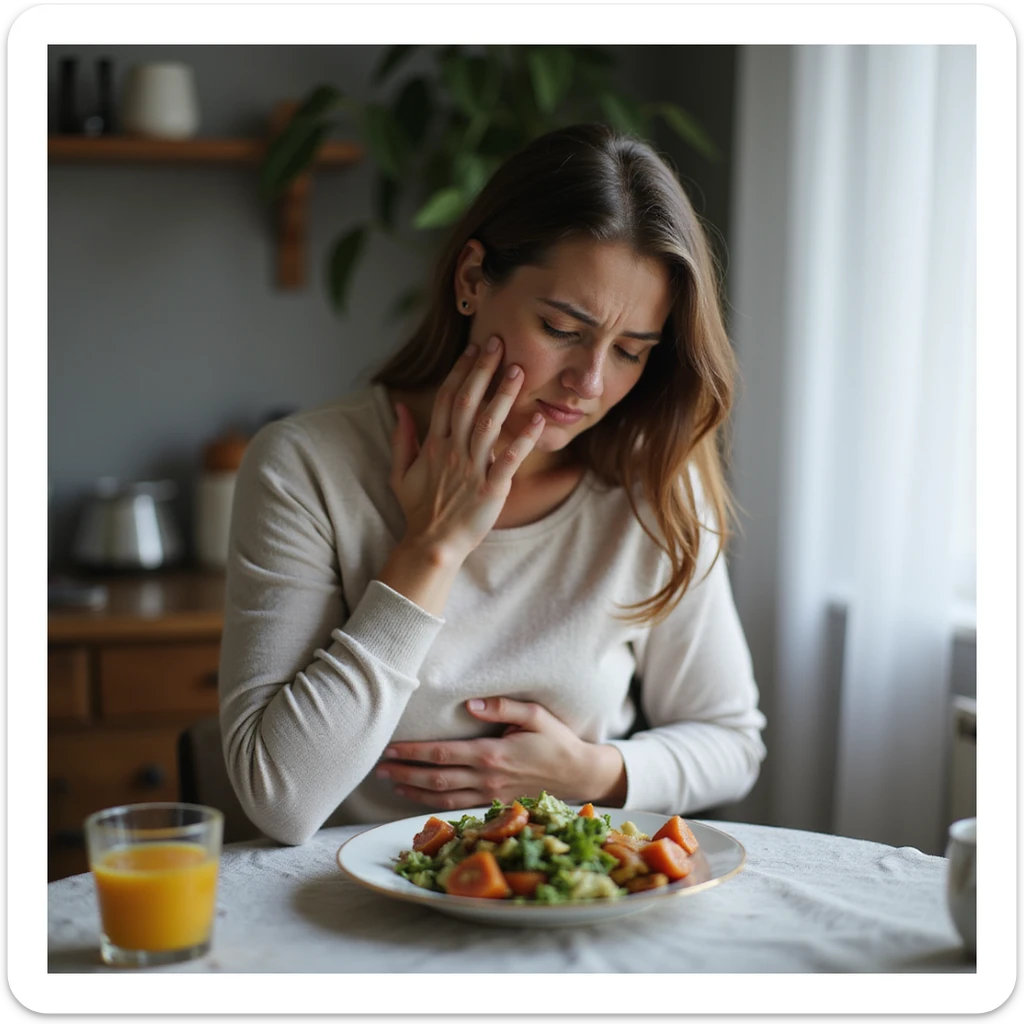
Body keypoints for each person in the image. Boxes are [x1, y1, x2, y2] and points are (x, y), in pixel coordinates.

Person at [218, 123, 766, 846]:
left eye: (631, 352)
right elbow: (280, 799)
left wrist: (590, 772)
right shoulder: (307, 466)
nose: (589, 383)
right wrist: (433, 547)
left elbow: (732, 741)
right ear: (473, 280)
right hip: (347, 895)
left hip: (574, 891)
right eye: (562, 329)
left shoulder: (654, 486)